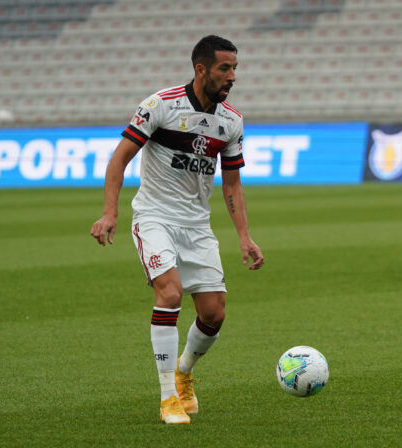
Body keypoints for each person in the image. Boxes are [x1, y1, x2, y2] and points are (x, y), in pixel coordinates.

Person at [90, 35, 264, 425]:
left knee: (214, 313)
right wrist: (109, 213)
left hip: (197, 225)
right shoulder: (160, 106)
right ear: (201, 69)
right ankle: (168, 396)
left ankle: (184, 373)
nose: (232, 76)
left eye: (235, 68)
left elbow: (232, 183)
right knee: (169, 294)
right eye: (224, 68)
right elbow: (119, 158)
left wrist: (244, 236)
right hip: (154, 217)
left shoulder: (231, 121)